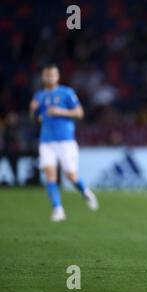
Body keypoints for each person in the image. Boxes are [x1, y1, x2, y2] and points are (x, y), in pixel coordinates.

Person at [30, 64, 98, 222]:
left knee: (71, 176)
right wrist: (33, 111)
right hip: (46, 141)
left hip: (66, 141)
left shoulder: (66, 92)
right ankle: (58, 209)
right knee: (50, 176)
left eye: (52, 75)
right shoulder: (39, 96)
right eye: (47, 75)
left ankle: (85, 191)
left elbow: (79, 113)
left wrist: (60, 111)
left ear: (57, 76)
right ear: (43, 77)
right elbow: (36, 117)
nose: (49, 78)